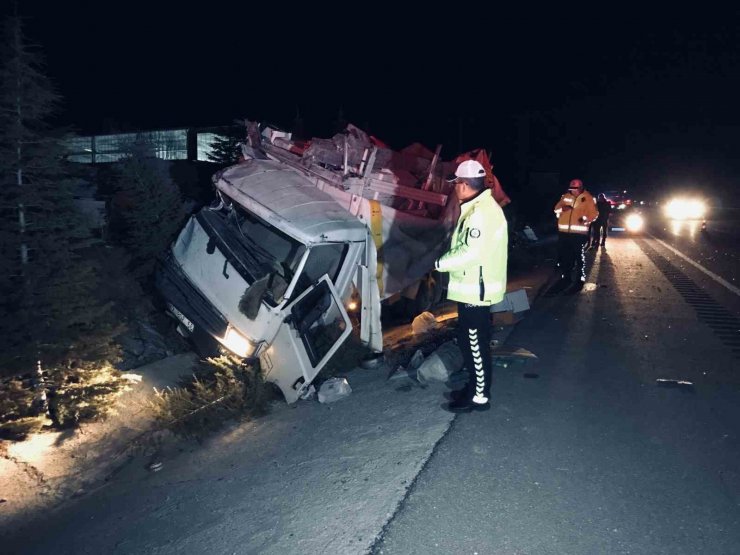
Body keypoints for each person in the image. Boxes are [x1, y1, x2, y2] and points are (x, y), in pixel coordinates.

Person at [434, 160, 508, 412]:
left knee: (474, 345)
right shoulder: (480, 208)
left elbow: (470, 252)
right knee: (470, 342)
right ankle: (474, 388)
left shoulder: (480, 214)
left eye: (456, 183)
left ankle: (479, 398)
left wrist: (439, 262)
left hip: (476, 290)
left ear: (464, 185)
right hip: (474, 287)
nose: (454, 188)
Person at [546, 178, 598, 295]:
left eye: (575, 188)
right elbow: (556, 209)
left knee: (579, 257)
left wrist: (584, 219)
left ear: (580, 187)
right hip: (564, 233)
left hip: (578, 234)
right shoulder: (565, 197)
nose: (572, 190)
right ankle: (566, 277)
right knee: (565, 256)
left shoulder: (587, 198)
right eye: (571, 188)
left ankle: (580, 279)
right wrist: (562, 208)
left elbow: (594, 214)